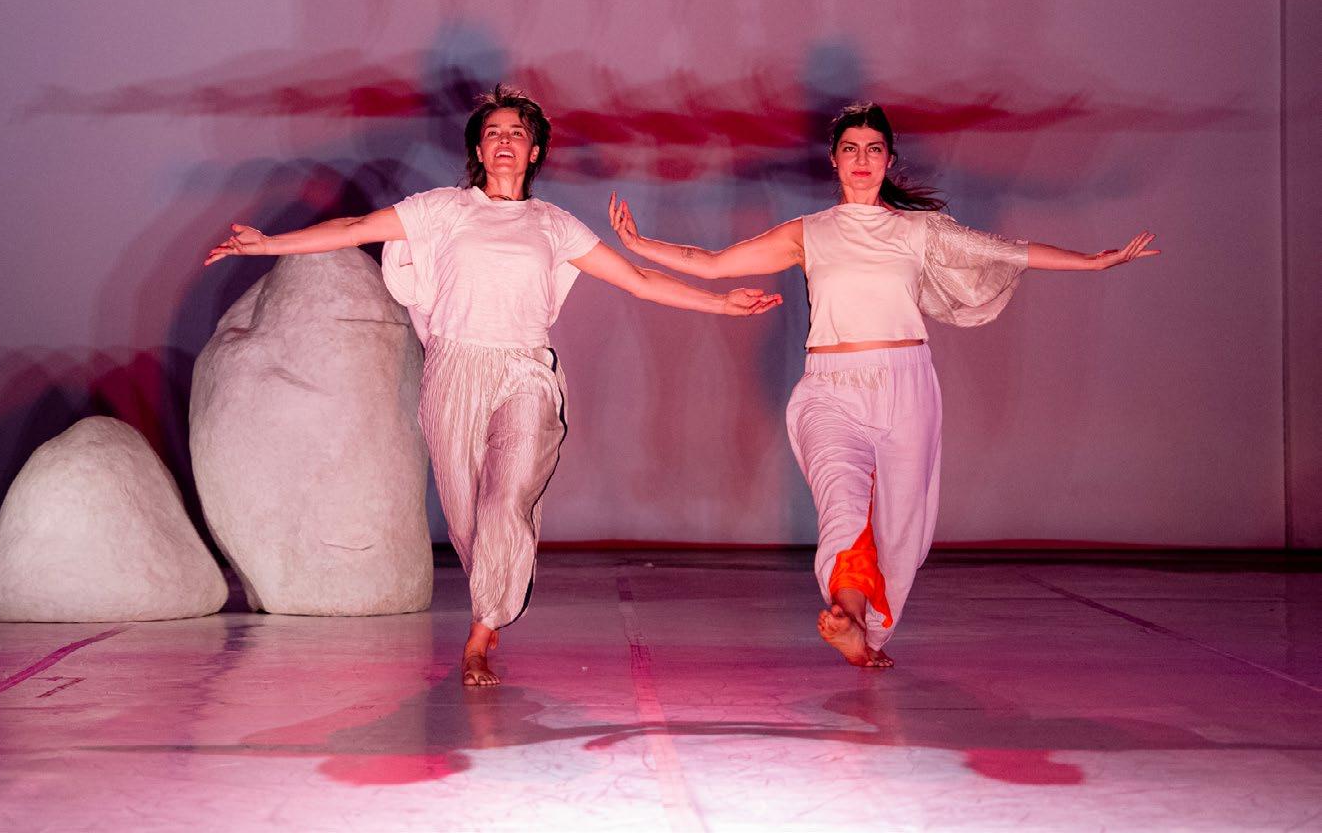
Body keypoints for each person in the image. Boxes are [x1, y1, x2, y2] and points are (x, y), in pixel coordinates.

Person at [206, 84, 780, 686]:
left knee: (506, 498)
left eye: (517, 133)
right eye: (493, 133)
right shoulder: (441, 209)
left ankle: (480, 634)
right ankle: (493, 595)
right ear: (479, 150)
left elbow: (637, 280)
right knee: (468, 518)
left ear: (535, 152)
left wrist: (722, 304)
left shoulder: (554, 225)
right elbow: (356, 226)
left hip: (525, 370)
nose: (505, 141)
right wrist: (268, 244)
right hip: (454, 370)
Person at [608, 101, 1157, 669]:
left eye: (874, 149)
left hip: (906, 387)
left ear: (890, 160)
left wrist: (1093, 262)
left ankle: (867, 632)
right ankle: (846, 617)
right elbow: (714, 262)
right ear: (834, 159)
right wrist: (641, 245)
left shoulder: (918, 230)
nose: (862, 159)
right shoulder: (809, 233)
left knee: (900, 535)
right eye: (850, 149)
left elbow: (1007, 251)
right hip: (830, 390)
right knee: (842, 507)